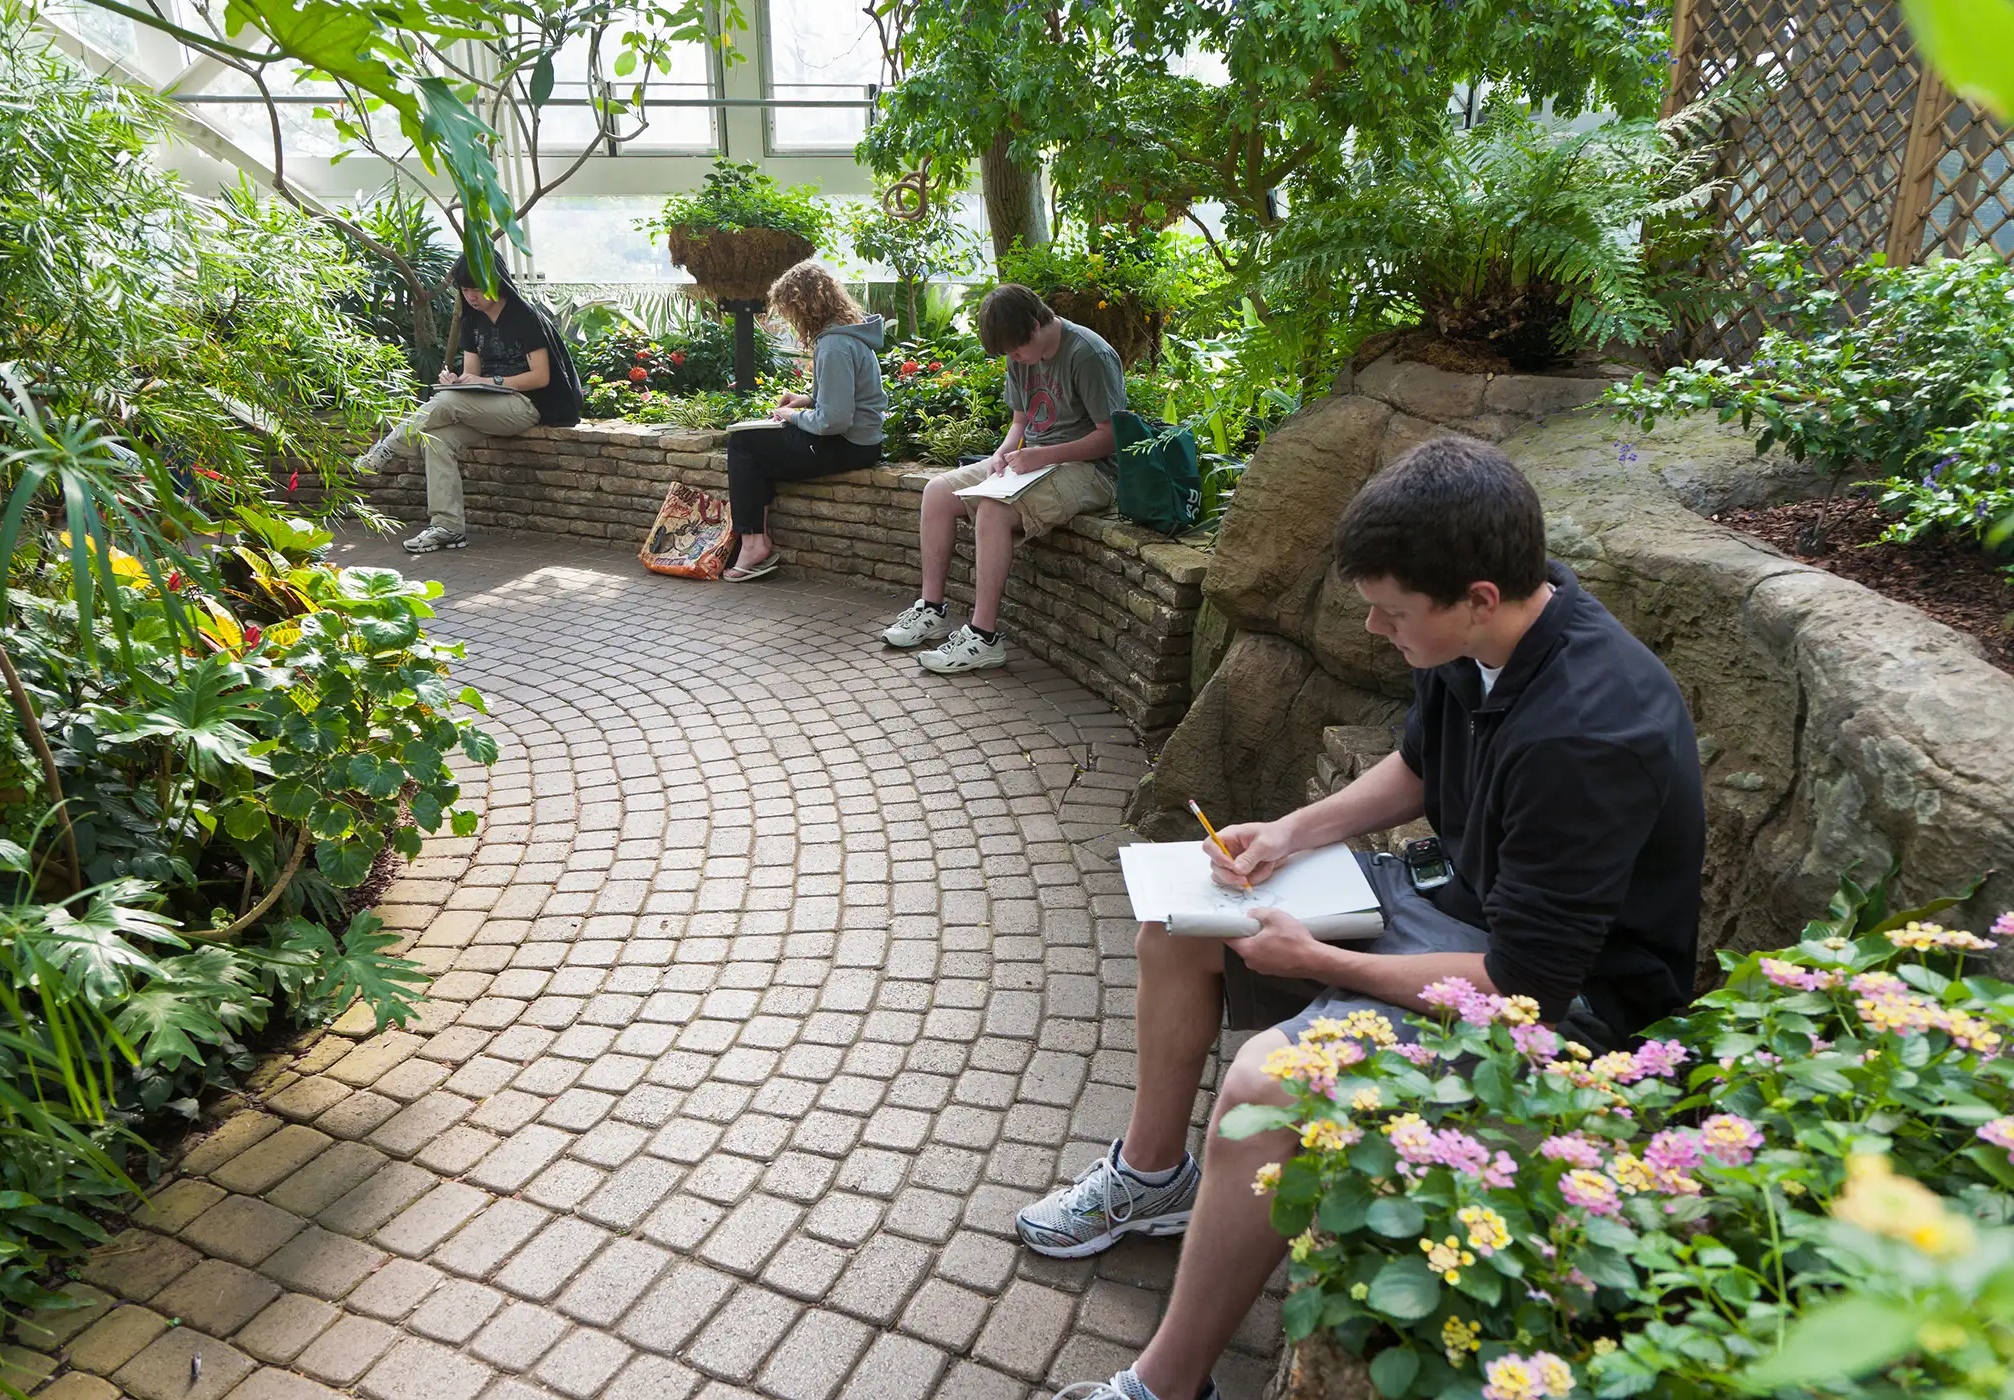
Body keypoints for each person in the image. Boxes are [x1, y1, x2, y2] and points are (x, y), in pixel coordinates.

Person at [1035, 436, 1708, 1400]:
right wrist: (1292, 833)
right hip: (1455, 912)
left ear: (1477, 594)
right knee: (1183, 921)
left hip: (1567, 1007)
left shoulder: (1587, 733)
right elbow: (1421, 769)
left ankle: (1168, 1385)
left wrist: (1320, 959)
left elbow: (1524, 987)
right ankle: (1151, 1180)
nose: (1372, 625)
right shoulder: (1484, 632)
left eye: (1391, 612)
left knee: (1267, 1086)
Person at [879, 284, 1125, 672]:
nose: (1014, 358)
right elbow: (1020, 421)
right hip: (1033, 462)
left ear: (1035, 323)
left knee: (993, 510)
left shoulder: (1088, 354)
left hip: (1091, 471)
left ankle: (983, 637)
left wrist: (1041, 455)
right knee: (937, 491)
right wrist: (1001, 454)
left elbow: (1110, 437)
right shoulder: (1020, 354)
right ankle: (932, 610)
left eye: (1015, 349)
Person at [358, 253, 564, 554]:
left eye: (476, 289)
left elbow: (541, 377)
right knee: (435, 440)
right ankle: (447, 528)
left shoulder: (525, 317)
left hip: (523, 406)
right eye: (465, 290)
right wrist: (457, 380)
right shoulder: (472, 321)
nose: (471, 296)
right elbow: (472, 375)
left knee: (448, 402)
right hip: (486, 406)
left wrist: (492, 383)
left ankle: (388, 448)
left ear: (496, 283)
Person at [723, 261, 888, 582]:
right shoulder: (846, 334)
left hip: (848, 445)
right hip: (861, 442)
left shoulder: (834, 345)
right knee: (756, 451)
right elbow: (846, 397)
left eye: (789, 311)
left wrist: (792, 415)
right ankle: (756, 540)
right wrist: (807, 400)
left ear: (805, 306)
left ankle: (754, 543)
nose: (790, 319)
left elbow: (834, 421)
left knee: (742, 444)